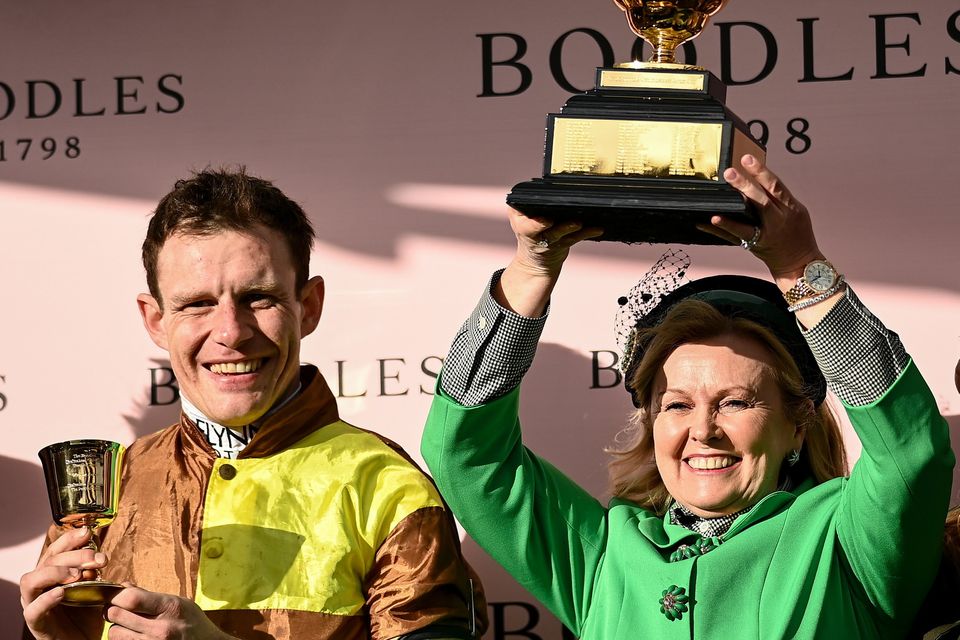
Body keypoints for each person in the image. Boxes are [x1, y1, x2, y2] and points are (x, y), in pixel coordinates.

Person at [421, 154, 954, 639]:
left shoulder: (845, 542)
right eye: (676, 404)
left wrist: (798, 265)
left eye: (736, 402)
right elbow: (466, 456)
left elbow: (909, 453)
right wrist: (531, 270)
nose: (703, 430)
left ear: (797, 424)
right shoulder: (606, 553)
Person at [20, 169, 486, 640]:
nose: (231, 332)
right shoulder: (106, 492)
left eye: (258, 298)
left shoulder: (388, 485)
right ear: (156, 320)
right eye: (198, 304)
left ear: (309, 306)